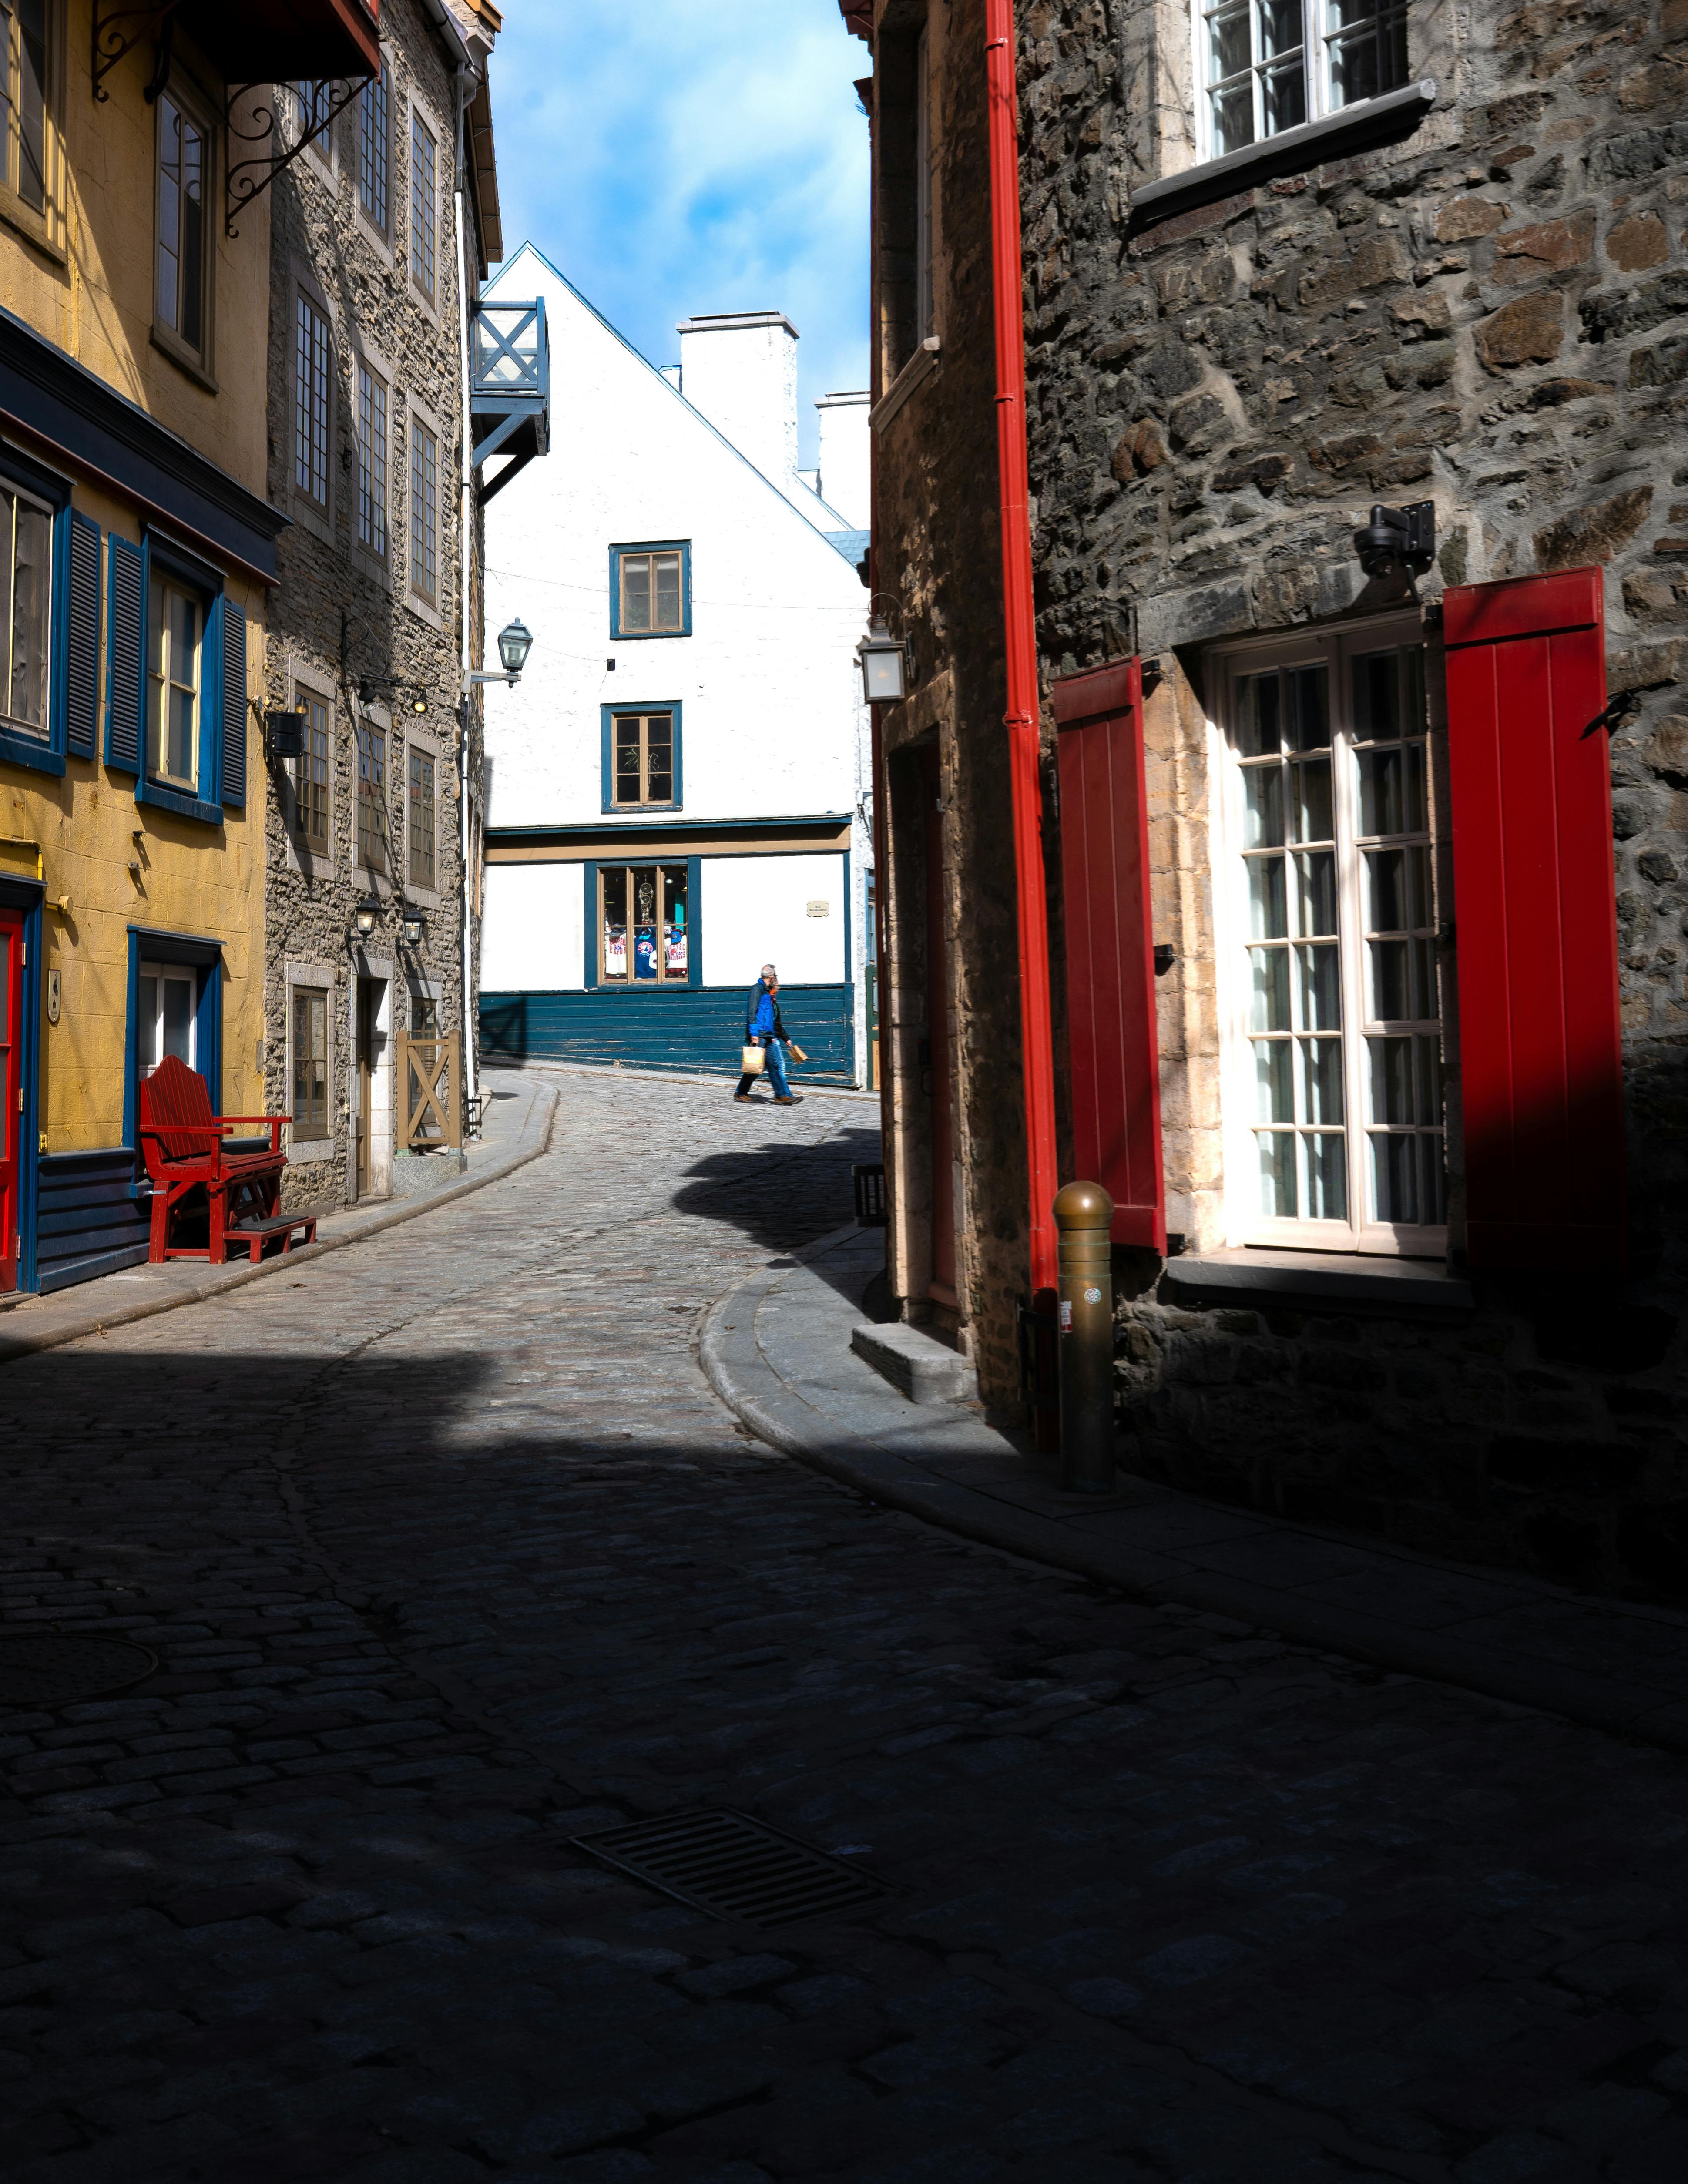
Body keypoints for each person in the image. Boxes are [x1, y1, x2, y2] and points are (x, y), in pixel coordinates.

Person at [735, 964, 803, 1105]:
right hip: (759, 1035)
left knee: (776, 1066)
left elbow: (769, 1017)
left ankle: (782, 1095)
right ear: (771, 977)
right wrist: (754, 1034)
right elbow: (752, 1013)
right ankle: (741, 1093)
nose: (775, 980)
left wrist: (773, 1035)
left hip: (768, 1035)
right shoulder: (757, 990)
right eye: (775, 977)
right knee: (755, 1067)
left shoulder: (768, 992)